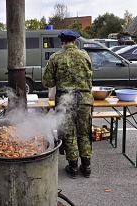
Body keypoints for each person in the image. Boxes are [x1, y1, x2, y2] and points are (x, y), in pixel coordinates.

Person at [42, 29, 94, 179]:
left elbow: (47, 82)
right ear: (75, 41)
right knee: (84, 132)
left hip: (66, 100)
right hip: (85, 100)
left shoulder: (56, 57)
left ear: (62, 42)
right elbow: (90, 79)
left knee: (69, 133)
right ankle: (86, 166)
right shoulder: (85, 56)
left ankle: (73, 168)